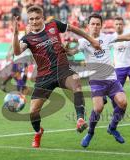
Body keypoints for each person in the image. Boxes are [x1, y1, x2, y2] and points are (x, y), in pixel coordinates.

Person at [12, 5, 101, 148]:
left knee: (76, 83)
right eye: (31, 19)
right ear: (28, 21)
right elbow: (17, 52)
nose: (34, 22)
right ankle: (38, 131)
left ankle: (80, 119)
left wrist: (91, 40)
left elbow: (74, 29)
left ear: (42, 18)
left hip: (63, 70)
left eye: (37, 18)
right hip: (44, 77)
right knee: (33, 112)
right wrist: (15, 34)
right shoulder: (27, 39)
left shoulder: (54, 25)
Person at [66, 13, 130, 147]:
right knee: (98, 108)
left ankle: (112, 127)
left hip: (111, 79)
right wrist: (66, 49)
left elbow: (128, 37)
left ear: (101, 25)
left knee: (123, 103)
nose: (95, 26)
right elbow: (72, 52)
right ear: (88, 26)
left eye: (98, 24)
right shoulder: (83, 42)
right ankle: (90, 133)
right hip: (97, 80)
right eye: (93, 24)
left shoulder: (107, 37)